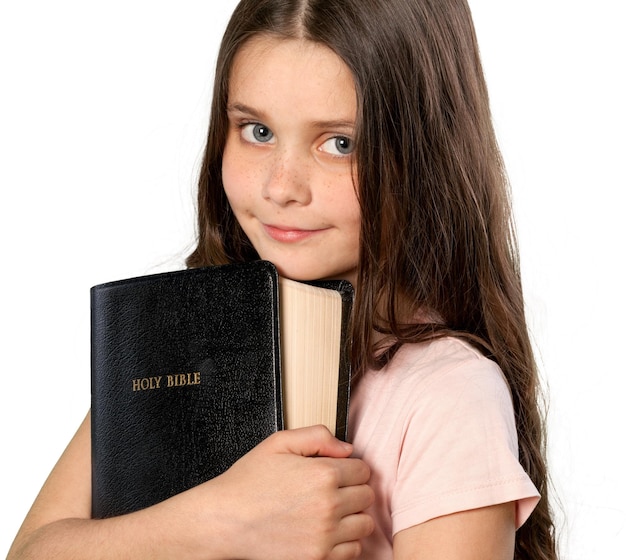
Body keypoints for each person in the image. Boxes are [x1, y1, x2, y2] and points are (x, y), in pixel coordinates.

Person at [8, 0, 558, 558]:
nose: (281, 187)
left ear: (424, 154)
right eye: (257, 130)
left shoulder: (447, 395)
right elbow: (32, 550)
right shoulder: (173, 337)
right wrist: (224, 521)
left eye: (340, 143)